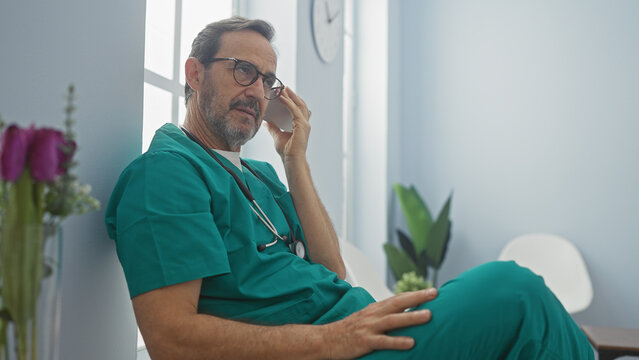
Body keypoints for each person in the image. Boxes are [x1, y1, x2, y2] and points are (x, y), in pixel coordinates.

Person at [105, 16, 593, 359]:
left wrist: (294, 160)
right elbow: (172, 340)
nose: (257, 91)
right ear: (194, 73)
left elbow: (332, 270)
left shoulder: (261, 176)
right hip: (332, 348)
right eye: (244, 70)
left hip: (356, 328)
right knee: (513, 290)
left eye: (269, 80)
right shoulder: (166, 174)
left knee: (529, 322)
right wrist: (334, 340)